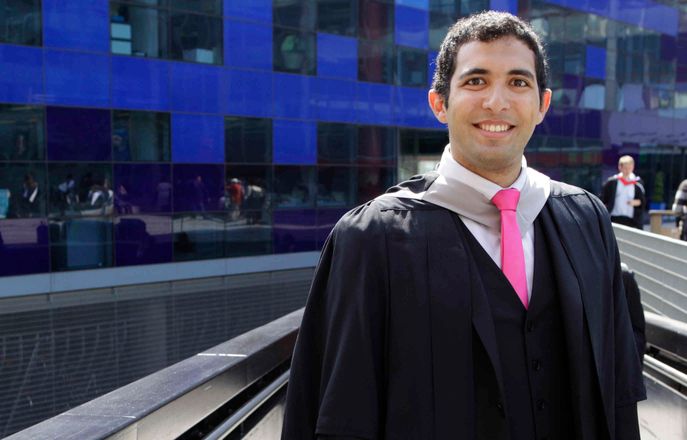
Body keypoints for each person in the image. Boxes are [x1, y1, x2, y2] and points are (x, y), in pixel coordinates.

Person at [282, 11, 645, 440]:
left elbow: (618, 390)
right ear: (440, 103)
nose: (497, 102)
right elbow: (339, 413)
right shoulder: (373, 238)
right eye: (476, 81)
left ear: (542, 105)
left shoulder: (585, 219)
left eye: (518, 82)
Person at [601, 155, 646, 229]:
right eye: (625, 168)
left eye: (630, 168)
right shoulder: (612, 182)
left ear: (633, 167)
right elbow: (604, 199)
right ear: (620, 167)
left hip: (632, 220)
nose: (627, 171)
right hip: (614, 218)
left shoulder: (637, 183)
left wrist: (636, 202)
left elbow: (642, 201)